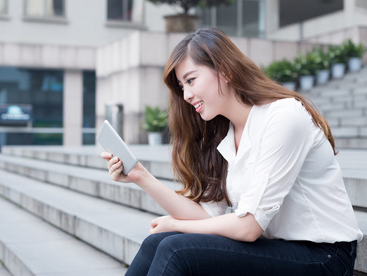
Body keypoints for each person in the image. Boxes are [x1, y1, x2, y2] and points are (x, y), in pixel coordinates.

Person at [101, 27, 363, 275]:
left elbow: (248, 226)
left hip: (324, 257)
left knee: (176, 249)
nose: (187, 95)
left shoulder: (283, 116)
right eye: (182, 87)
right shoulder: (224, 136)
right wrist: (140, 176)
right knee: (156, 242)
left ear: (224, 70)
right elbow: (206, 215)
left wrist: (177, 225)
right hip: (277, 249)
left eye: (191, 80)